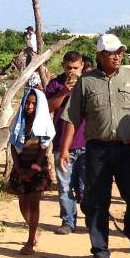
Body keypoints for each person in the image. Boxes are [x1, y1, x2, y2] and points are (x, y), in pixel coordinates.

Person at [61, 34, 130, 258]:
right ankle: (100, 251)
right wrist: (63, 150)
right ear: (101, 55)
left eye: (120, 52)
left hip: (127, 149)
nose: (118, 56)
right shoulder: (86, 81)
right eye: (113, 53)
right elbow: (72, 117)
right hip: (97, 151)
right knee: (97, 203)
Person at [8, 88, 56, 255]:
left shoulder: (43, 123)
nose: (29, 106)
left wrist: (34, 168)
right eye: (27, 103)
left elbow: (44, 148)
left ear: (39, 106)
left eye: (34, 104)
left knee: (34, 203)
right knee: (23, 204)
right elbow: (13, 146)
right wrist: (19, 169)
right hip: (20, 167)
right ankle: (34, 230)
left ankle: (30, 241)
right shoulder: (18, 122)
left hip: (37, 168)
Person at [44, 51, 86, 235]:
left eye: (75, 68)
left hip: (86, 142)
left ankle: (91, 217)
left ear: (82, 66)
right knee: (64, 186)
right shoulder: (55, 84)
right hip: (62, 143)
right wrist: (64, 91)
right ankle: (68, 221)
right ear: (63, 66)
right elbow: (48, 108)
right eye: (69, 68)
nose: (72, 72)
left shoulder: (89, 83)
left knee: (86, 185)